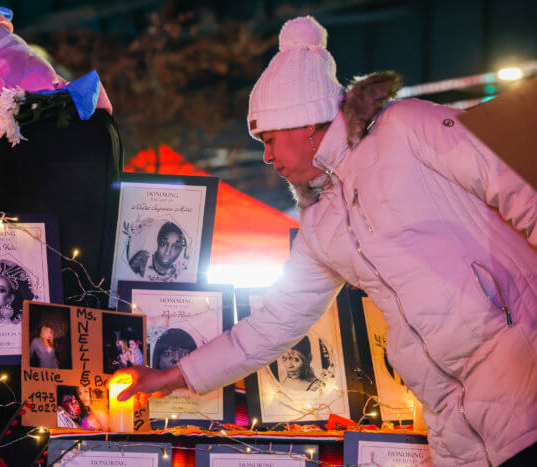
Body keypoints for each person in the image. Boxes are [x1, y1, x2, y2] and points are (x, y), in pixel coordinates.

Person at [114, 16, 536, 467]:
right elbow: (272, 325)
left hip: (521, 376)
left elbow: (519, 187)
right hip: (457, 431)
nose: (267, 156)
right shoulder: (319, 223)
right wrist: (173, 376)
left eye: (270, 138)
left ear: (303, 123)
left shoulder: (406, 128)